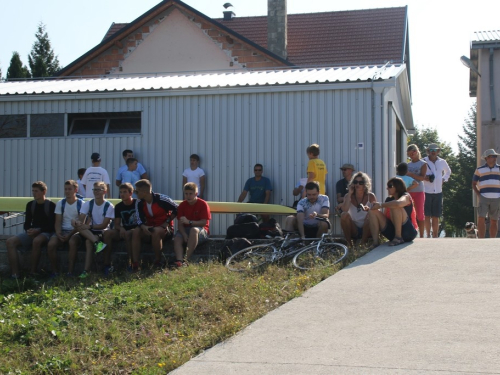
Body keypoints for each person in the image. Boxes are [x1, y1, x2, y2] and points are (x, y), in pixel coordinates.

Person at [6, 181, 55, 278]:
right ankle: (15, 274)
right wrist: (29, 230)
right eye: (33, 191)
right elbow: (27, 223)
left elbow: (52, 225)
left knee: (37, 241)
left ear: (44, 192)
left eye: (36, 191)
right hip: (33, 231)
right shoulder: (30, 205)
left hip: (46, 232)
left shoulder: (51, 205)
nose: (34, 193)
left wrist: (38, 230)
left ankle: (33, 272)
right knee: (10, 242)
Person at [68, 182, 114, 278]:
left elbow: (104, 225)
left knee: (89, 242)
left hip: (101, 230)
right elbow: (81, 221)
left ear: (104, 191)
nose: (96, 192)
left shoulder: (109, 206)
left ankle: (86, 271)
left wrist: (89, 227)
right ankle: (70, 271)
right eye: (94, 189)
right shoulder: (89, 203)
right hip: (89, 230)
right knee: (73, 238)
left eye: (98, 189)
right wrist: (76, 222)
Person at [131, 179, 178, 271]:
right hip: (148, 227)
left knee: (155, 231)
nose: (135, 193)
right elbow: (139, 218)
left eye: (136, 191)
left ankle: (158, 261)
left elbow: (177, 208)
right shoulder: (139, 202)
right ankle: (135, 263)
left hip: (164, 229)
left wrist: (167, 222)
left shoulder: (162, 199)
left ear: (144, 192)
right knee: (136, 231)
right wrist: (143, 226)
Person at [367, 177, 418, 248]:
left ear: (398, 186)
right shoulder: (389, 200)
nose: (387, 188)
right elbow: (385, 218)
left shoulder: (406, 196)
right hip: (392, 232)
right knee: (372, 211)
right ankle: (375, 242)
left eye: (390, 186)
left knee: (395, 206)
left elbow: (398, 203)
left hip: (408, 232)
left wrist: (381, 205)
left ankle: (398, 237)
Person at [47, 180, 84, 276]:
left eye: (70, 189)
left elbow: (80, 224)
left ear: (76, 190)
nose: (67, 191)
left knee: (72, 242)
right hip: (63, 231)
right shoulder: (60, 203)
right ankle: (54, 271)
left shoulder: (81, 204)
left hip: (75, 231)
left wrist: (69, 235)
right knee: (51, 244)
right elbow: (58, 221)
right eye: (65, 189)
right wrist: (59, 234)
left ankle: (70, 272)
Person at [173, 182, 212, 266]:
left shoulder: (203, 204)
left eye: (191, 194)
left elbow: (203, 223)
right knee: (177, 238)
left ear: (196, 194)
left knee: (194, 230)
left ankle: (186, 260)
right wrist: (183, 234)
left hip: (201, 231)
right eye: (186, 194)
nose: (188, 196)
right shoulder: (182, 205)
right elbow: (180, 224)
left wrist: (189, 222)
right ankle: (179, 261)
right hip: (186, 230)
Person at [102, 183, 138, 274]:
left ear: (131, 193)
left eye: (125, 192)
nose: (122, 194)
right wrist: (121, 228)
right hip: (124, 230)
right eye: (121, 192)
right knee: (107, 233)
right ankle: (107, 265)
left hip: (136, 231)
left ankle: (132, 264)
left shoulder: (138, 203)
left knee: (128, 234)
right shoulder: (118, 206)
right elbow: (117, 224)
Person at [339, 172, 377, 247]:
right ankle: (349, 244)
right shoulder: (348, 196)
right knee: (344, 215)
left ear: (365, 184)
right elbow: (345, 210)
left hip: (368, 227)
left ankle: (362, 243)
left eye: (361, 183)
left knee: (370, 215)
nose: (357, 184)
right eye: (355, 182)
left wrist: (369, 210)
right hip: (354, 228)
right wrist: (349, 193)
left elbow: (376, 213)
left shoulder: (370, 196)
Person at [423, 143, 451, 238]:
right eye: (431, 150)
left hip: (438, 191)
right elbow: (418, 174)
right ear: (428, 151)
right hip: (426, 191)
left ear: (438, 151)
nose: (433, 152)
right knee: (426, 215)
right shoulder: (423, 161)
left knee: (436, 215)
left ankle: (435, 236)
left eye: (435, 150)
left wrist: (444, 179)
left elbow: (448, 171)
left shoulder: (442, 162)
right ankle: (428, 235)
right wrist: (424, 178)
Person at [472, 149, 500, 238]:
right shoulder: (479, 169)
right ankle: (481, 239)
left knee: (494, 220)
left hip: (497, 197)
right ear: (487, 158)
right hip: (483, 196)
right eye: (493, 156)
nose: (495, 158)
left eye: (496, 156)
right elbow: (473, 183)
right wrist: (478, 194)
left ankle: (492, 240)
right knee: (481, 218)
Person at [406, 144, 428, 238]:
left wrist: (411, 174)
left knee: (420, 213)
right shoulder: (407, 165)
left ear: (416, 152)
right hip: (409, 190)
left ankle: (422, 235)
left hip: (419, 191)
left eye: (413, 153)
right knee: (409, 212)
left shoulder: (423, 164)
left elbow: (422, 177)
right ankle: (411, 233)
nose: (411, 155)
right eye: (409, 154)